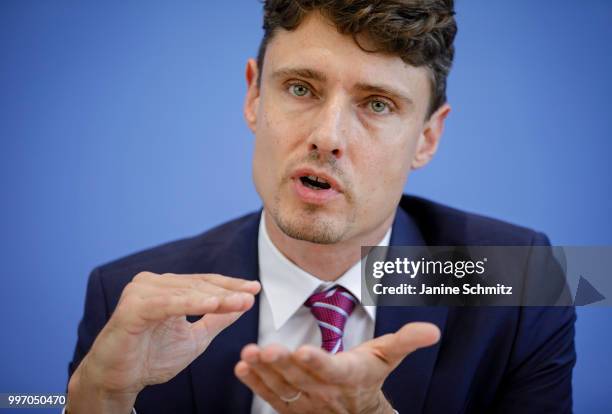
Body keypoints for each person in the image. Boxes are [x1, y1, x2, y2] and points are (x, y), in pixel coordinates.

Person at [65, 1, 576, 413]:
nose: (327, 137)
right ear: (253, 96)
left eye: (377, 104)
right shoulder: (123, 294)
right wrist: (98, 404)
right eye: (300, 88)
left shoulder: (528, 277)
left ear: (427, 136)